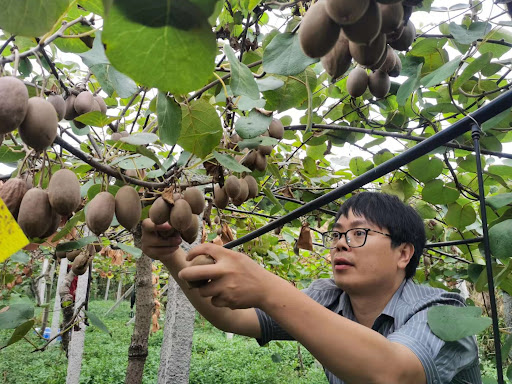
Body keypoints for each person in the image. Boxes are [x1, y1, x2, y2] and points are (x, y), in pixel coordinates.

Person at [141, 192, 481, 384]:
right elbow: (232, 318)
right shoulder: (328, 297)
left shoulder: (444, 312)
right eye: (336, 234)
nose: (340, 245)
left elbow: (392, 373)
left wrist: (267, 287)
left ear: (403, 253)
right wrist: (172, 254)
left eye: (358, 234)